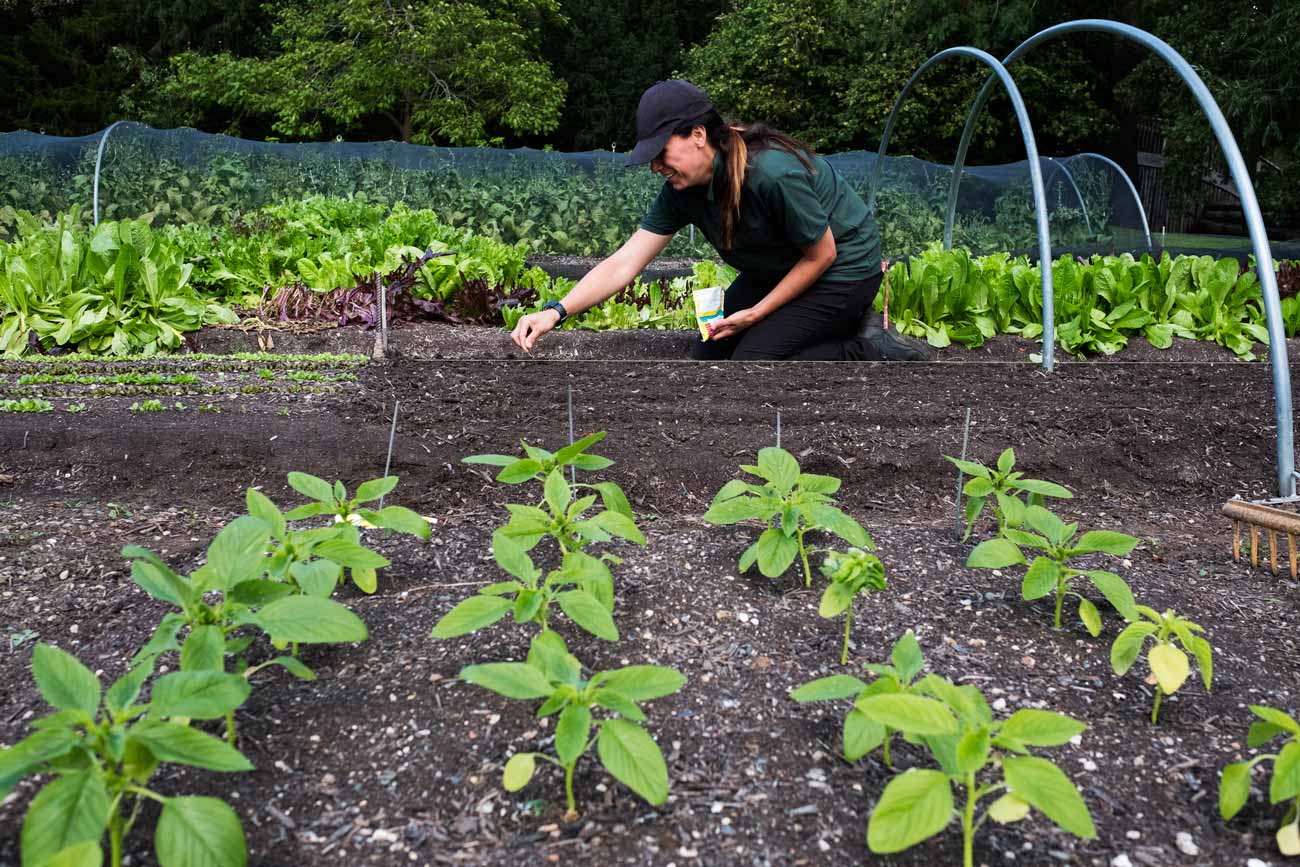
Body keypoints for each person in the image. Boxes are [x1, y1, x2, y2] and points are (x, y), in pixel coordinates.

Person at [510, 79, 926, 361]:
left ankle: (865, 345)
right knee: (708, 355)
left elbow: (822, 255)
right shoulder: (681, 189)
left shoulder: (770, 173)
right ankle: (825, 328)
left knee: (753, 361)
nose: (656, 167)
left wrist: (758, 313)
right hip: (779, 268)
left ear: (697, 135)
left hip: (844, 269)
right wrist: (554, 312)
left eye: (660, 154)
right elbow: (626, 262)